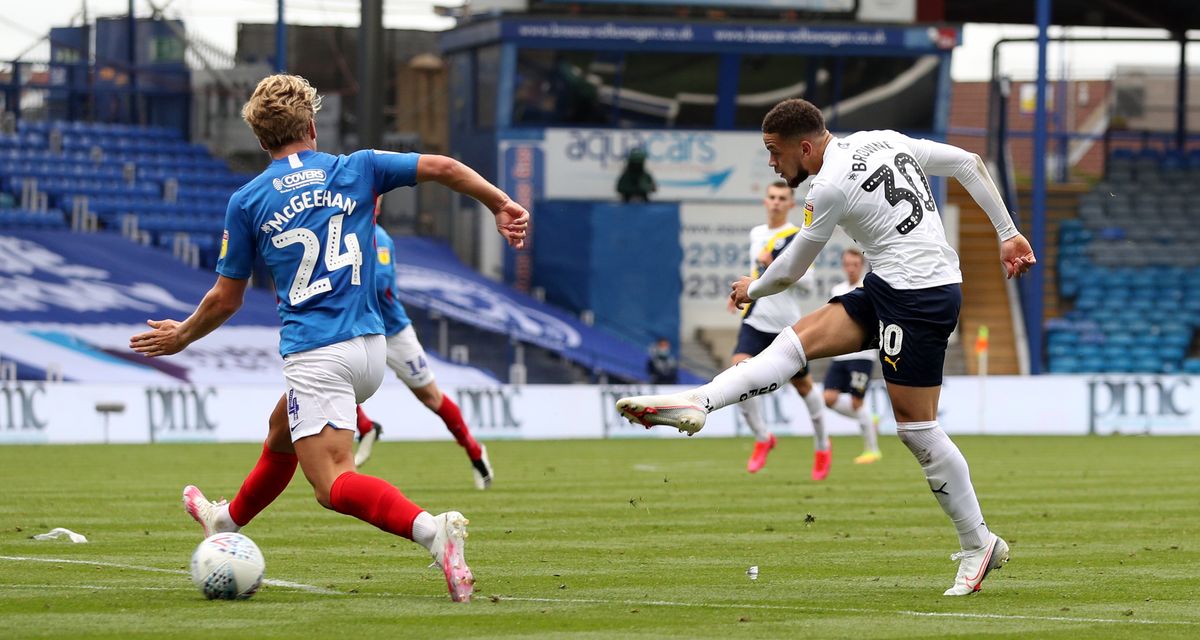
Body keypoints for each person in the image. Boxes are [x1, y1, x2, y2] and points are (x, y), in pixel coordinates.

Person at [129, 74, 528, 602]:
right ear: (312, 127)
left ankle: (434, 533)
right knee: (281, 430)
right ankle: (223, 519)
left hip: (317, 352)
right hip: (370, 347)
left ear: (260, 139)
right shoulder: (357, 167)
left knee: (331, 484)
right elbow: (446, 168)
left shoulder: (247, 200)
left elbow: (226, 298)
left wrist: (182, 335)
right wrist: (500, 203)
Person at [616, 98, 1035, 596]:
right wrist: (1007, 234)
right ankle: (699, 401)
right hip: (893, 284)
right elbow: (969, 163)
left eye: (774, 151)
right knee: (793, 343)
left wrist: (752, 288)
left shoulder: (829, 185)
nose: (772, 163)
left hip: (919, 297)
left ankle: (978, 543)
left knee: (918, 431)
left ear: (805, 146)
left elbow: (793, 269)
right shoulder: (884, 138)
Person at [352, 224, 495, 491]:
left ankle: (475, 452)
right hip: (359, 330)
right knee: (336, 379)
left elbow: (381, 282)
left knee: (431, 397)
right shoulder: (339, 230)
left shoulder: (379, 238)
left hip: (393, 332)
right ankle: (366, 427)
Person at [732, 181, 829, 478]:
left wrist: (776, 264)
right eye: (771, 197)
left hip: (785, 325)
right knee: (738, 375)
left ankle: (823, 445)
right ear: (765, 201)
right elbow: (757, 274)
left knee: (804, 387)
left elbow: (808, 284)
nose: (775, 202)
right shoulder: (756, 235)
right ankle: (763, 438)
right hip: (755, 320)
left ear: (790, 205)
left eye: (781, 198)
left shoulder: (797, 238)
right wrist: (741, 292)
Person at [822, 247, 882, 465]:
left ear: (862, 266)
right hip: (840, 354)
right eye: (847, 264)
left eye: (855, 265)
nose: (851, 269)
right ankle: (867, 418)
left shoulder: (868, 288)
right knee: (828, 398)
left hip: (862, 354)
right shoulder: (837, 289)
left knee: (857, 403)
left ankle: (872, 450)